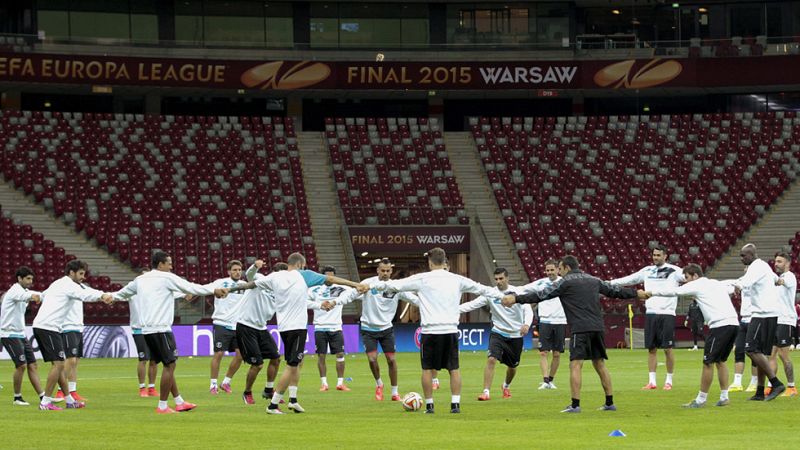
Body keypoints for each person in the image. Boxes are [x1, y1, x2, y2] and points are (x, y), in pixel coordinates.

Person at [227, 252, 368, 415]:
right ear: (301, 264)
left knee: (297, 363)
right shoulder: (303, 275)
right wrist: (355, 284)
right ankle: (273, 405)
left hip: (285, 327)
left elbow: (250, 284)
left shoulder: (275, 277)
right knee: (292, 365)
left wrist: (229, 289)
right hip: (297, 327)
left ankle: (293, 400)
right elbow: (330, 279)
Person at [502, 255, 646, 413]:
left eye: (561, 269)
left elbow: (540, 295)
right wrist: (636, 293)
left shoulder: (565, 282)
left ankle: (575, 405)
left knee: (575, 364)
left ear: (566, 268)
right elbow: (615, 291)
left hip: (580, 328)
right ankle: (609, 402)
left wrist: (515, 299)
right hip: (598, 327)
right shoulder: (593, 279)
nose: (560, 272)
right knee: (599, 363)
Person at [370, 247, 506, 414]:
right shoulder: (457, 279)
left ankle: (429, 405)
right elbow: (482, 289)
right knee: (453, 368)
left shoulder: (422, 279)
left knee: (427, 369)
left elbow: (395, 285)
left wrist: (372, 287)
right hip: (450, 330)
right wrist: (504, 297)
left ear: (429, 262)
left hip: (430, 331)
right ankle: (455, 405)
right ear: (444, 261)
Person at [111, 251, 228, 414]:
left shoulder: (140, 280)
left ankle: (179, 401)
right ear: (161, 264)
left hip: (146, 330)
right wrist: (213, 290)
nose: (171, 266)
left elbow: (122, 293)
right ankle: (163, 406)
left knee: (168, 364)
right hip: (160, 328)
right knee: (170, 364)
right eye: (169, 263)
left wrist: (108, 296)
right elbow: (192, 287)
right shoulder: (167, 277)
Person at [646, 264, 739, 408]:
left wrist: (650, 292)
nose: (686, 281)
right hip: (733, 323)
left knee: (708, 363)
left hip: (720, 325)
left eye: (687, 278)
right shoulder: (715, 283)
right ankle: (724, 397)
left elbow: (674, 292)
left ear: (695, 276)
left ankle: (701, 399)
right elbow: (732, 287)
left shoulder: (698, 285)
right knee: (720, 361)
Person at [332, 258, 420, 402]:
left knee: (391, 360)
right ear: (377, 270)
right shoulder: (368, 284)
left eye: (388, 271)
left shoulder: (396, 287)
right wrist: (335, 302)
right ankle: (379, 384)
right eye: (382, 270)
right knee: (372, 360)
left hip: (386, 329)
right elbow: (351, 295)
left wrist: (432, 306)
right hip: (368, 329)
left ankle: (394, 392)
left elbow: (414, 299)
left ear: (391, 271)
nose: (385, 273)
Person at [32, 260, 112, 411]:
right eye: (81, 274)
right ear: (71, 273)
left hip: (46, 326)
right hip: (47, 326)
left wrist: (101, 294)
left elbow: (43, 295)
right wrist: (102, 296)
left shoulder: (58, 283)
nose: (83, 277)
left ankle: (69, 400)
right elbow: (83, 294)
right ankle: (45, 402)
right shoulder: (68, 285)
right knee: (59, 364)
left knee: (60, 363)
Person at [609, 245, 683, 390]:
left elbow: (689, 279)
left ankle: (669, 381)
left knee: (667, 349)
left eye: (658, 255)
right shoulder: (647, 270)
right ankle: (652, 382)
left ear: (665, 256)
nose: (655, 257)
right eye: (654, 255)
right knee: (651, 349)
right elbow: (629, 279)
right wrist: (610, 283)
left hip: (667, 313)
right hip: (651, 313)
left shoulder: (674, 271)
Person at [458, 268, 532, 401]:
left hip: (515, 334)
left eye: (501, 278)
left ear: (507, 278)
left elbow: (528, 310)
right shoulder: (491, 293)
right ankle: (486, 392)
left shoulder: (518, 292)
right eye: (496, 279)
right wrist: (453, 310)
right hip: (498, 332)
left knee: (512, 366)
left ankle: (506, 385)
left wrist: (526, 324)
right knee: (491, 359)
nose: (498, 281)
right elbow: (472, 305)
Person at [731, 243, 786, 401]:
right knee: (760, 352)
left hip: (762, 314)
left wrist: (738, 286)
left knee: (751, 349)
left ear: (752, 254)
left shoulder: (755, 267)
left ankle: (776, 383)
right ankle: (760, 392)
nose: (741, 258)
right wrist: (777, 282)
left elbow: (747, 281)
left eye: (744, 255)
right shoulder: (764, 266)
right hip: (770, 314)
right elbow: (776, 280)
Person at [234, 261, 286, 405]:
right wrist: (255, 266)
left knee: (276, 358)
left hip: (262, 327)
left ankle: (269, 390)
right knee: (257, 364)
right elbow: (249, 275)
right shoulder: (260, 279)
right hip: (246, 326)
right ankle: (247, 392)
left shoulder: (281, 289)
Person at [1, 266, 45, 406]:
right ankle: (17, 398)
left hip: (20, 334)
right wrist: (34, 296)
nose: (30, 281)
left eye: (31, 279)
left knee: (33, 365)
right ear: (19, 278)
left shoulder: (24, 290)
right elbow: (26, 296)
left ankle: (43, 397)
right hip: (9, 334)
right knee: (21, 365)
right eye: (27, 279)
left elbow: (36, 293)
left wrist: (46, 295)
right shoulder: (15, 291)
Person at [521, 259, 566, 390]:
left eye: (552, 270)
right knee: (543, 352)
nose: (550, 272)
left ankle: (551, 380)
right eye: (548, 270)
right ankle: (545, 380)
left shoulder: (564, 283)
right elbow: (524, 288)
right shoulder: (541, 283)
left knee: (557, 354)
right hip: (545, 321)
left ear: (558, 270)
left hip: (560, 321)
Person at [308, 266, 353, 392]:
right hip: (320, 327)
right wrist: (318, 305)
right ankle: (324, 384)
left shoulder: (342, 288)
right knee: (321, 356)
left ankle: (340, 383)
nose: (330, 279)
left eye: (332, 276)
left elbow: (355, 291)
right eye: (328, 276)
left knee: (340, 354)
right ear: (322, 277)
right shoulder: (314, 290)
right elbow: (303, 299)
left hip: (336, 327)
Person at [209, 260, 247, 395]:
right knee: (219, 353)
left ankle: (226, 382)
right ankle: (213, 384)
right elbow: (206, 289)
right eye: (235, 270)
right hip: (221, 323)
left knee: (241, 355)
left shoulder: (245, 285)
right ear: (229, 271)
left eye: (239, 269)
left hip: (238, 325)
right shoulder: (220, 282)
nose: (237, 272)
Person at [768, 251, 797, 397]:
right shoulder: (779, 277)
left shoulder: (789, 276)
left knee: (783, 355)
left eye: (780, 261)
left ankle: (791, 387)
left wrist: (767, 275)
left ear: (787, 263)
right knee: (771, 354)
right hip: (775, 320)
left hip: (785, 320)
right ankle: (771, 386)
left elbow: (781, 282)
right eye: (775, 261)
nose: (776, 263)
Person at [129, 268, 160, 398]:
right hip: (139, 329)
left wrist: (184, 294)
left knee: (154, 360)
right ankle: (142, 387)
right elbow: (119, 294)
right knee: (143, 359)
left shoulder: (155, 292)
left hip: (153, 328)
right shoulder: (132, 291)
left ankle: (152, 388)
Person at [726, 268, 758, 392]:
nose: (746, 270)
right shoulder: (742, 281)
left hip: (755, 318)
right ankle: (737, 382)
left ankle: (754, 382)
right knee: (739, 350)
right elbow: (731, 284)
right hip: (743, 319)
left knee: (753, 352)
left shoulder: (759, 282)